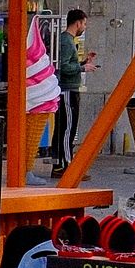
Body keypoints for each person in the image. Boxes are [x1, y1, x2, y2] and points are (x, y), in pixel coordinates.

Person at [49, 9, 92, 174]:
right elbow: (64, 66)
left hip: (67, 88)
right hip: (68, 89)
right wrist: (82, 67)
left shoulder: (67, 40)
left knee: (65, 128)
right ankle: (67, 165)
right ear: (78, 22)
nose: (85, 27)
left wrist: (83, 62)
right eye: (84, 23)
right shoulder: (67, 41)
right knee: (68, 128)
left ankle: (61, 163)